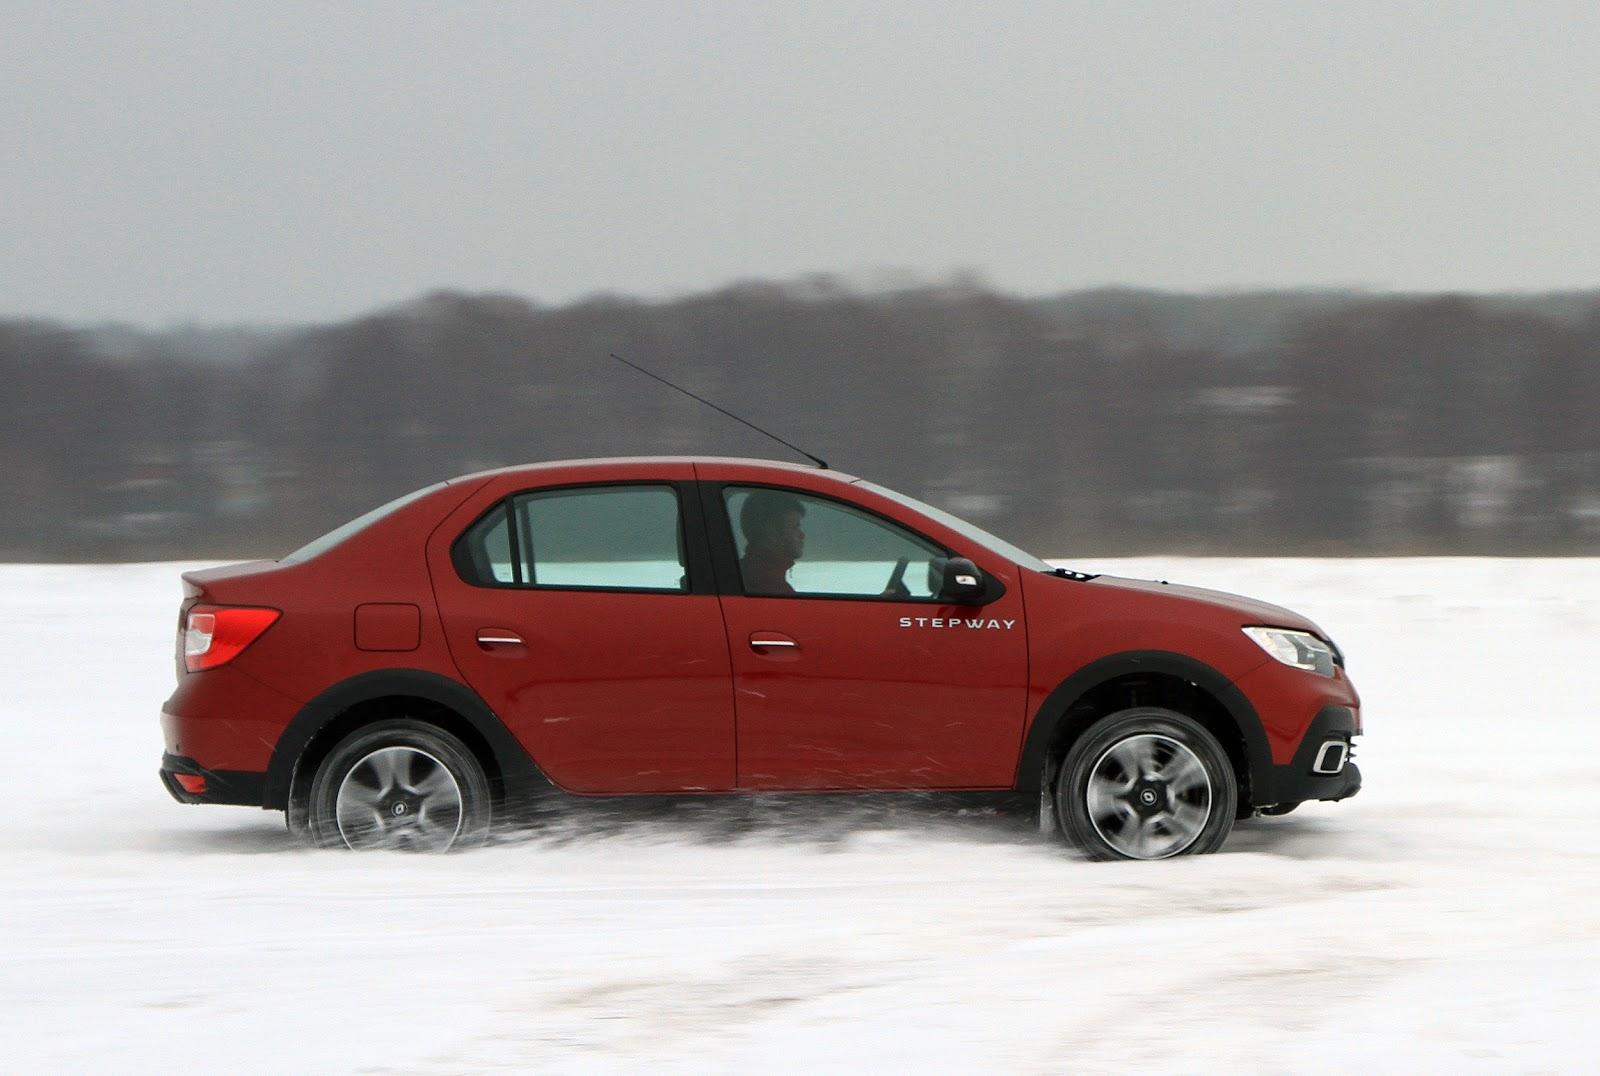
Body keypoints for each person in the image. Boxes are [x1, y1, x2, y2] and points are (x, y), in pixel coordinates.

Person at [738, 491, 805, 595]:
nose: (802, 535)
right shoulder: (768, 586)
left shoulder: (748, 573)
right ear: (771, 532)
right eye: (794, 527)